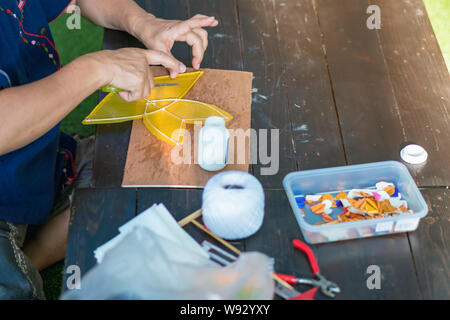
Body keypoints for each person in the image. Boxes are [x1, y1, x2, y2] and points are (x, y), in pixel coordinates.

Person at [0, 0, 218, 299]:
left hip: (37, 157)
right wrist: (95, 68)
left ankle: (29, 257)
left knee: (144, 174)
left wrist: (146, 23)